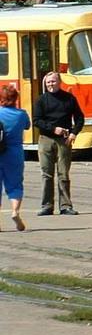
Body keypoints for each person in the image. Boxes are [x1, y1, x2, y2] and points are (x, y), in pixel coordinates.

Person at [33, 71, 84, 216]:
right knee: (46, 174)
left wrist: (74, 133)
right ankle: (47, 206)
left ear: (59, 82)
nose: (51, 84)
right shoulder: (41, 100)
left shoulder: (69, 99)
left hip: (64, 141)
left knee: (63, 174)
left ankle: (66, 206)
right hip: (46, 140)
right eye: (48, 82)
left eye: (53, 81)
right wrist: (53, 129)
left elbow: (80, 118)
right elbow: (36, 121)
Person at [0, 85, 31, 231]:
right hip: (14, 153)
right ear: (15, 99)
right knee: (15, 185)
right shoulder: (21, 114)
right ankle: (15, 211)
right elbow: (27, 126)